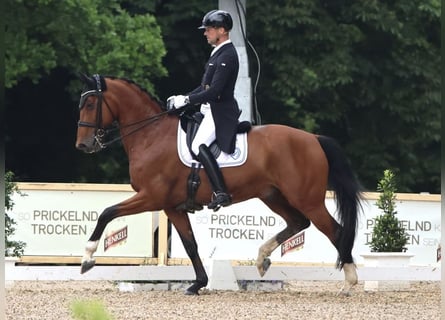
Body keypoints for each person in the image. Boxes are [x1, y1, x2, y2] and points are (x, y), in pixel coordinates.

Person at [167, 10, 240, 211]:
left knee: (199, 143)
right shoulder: (217, 53)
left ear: (222, 30)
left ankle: (221, 192)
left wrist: (188, 99)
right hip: (208, 109)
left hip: (220, 112)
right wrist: (183, 98)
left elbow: (215, 91)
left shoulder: (228, 55)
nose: (205, 33)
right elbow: (204, 87)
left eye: (209, 30)